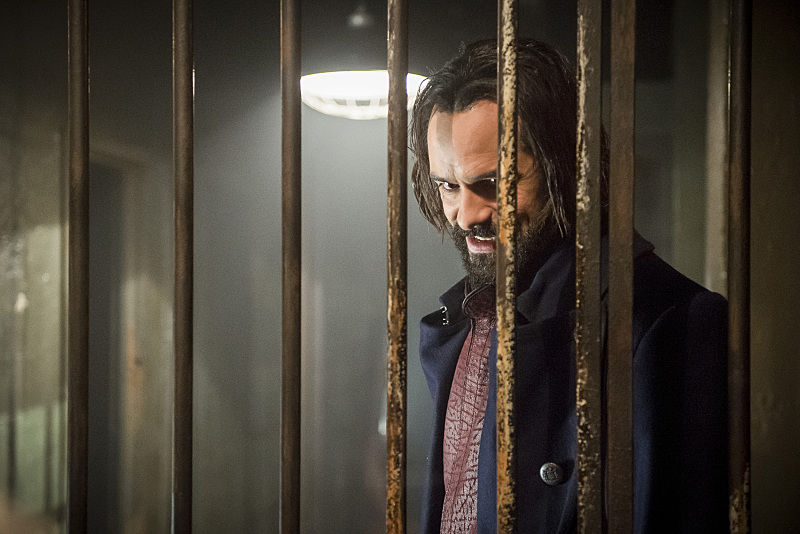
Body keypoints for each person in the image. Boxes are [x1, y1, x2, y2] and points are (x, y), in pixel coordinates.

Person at [410, 39, 728, 533]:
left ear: (564, 165)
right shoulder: (472, 320)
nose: (466, 215)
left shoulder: (665, 320)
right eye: (449, 186)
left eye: (493, 184)